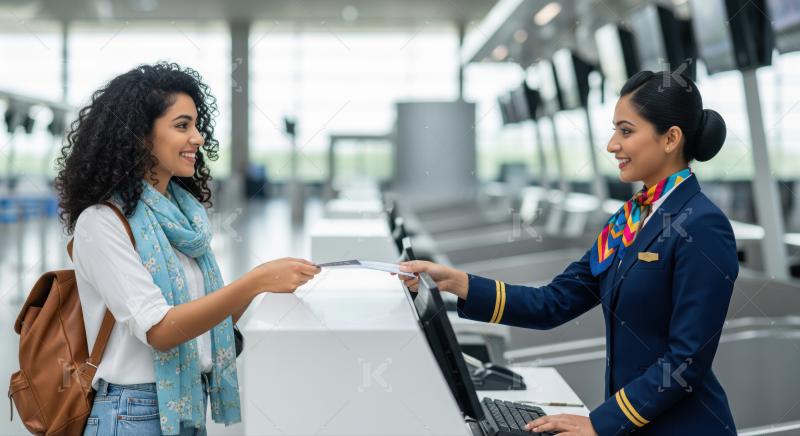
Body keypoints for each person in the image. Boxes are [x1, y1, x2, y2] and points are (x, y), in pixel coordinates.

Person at [399, 70, 738, 436]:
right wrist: (459, 283)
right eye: (614, 130)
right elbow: (554, 302)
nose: (612, 145)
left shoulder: (703, 225)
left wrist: (601, 423)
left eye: (626, 131)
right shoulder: (628, 219)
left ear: (671, 138)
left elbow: (686, 361)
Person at [55, 62, 321, 435]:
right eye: (182, 126)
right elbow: (161, 330)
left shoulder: (183, 219)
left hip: (186, 409)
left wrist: (263, 284)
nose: (197, 138)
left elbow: (208, 323)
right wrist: (254, 280)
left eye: (197, 125)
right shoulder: (101, 222)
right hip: (133, 414)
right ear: (139, 136)